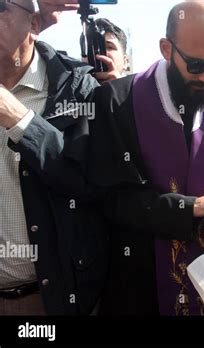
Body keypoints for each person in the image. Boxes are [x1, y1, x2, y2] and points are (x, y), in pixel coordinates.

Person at [87, 1, 204, 316]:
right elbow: (111, 198)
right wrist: (192, 207)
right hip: (143, 285)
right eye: (197, 65)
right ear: (166, 49)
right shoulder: (116, 102)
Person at [0, 0, 108, 315]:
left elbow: (90, 181)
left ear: (34, 24)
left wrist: (21, 122)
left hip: (46, 302)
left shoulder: (76, 88)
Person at [80, 18, 129, 84]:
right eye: (90, 47)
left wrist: (119, 88)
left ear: (125, 61)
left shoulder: (138, 91)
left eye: (109, 47)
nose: (97, 53)